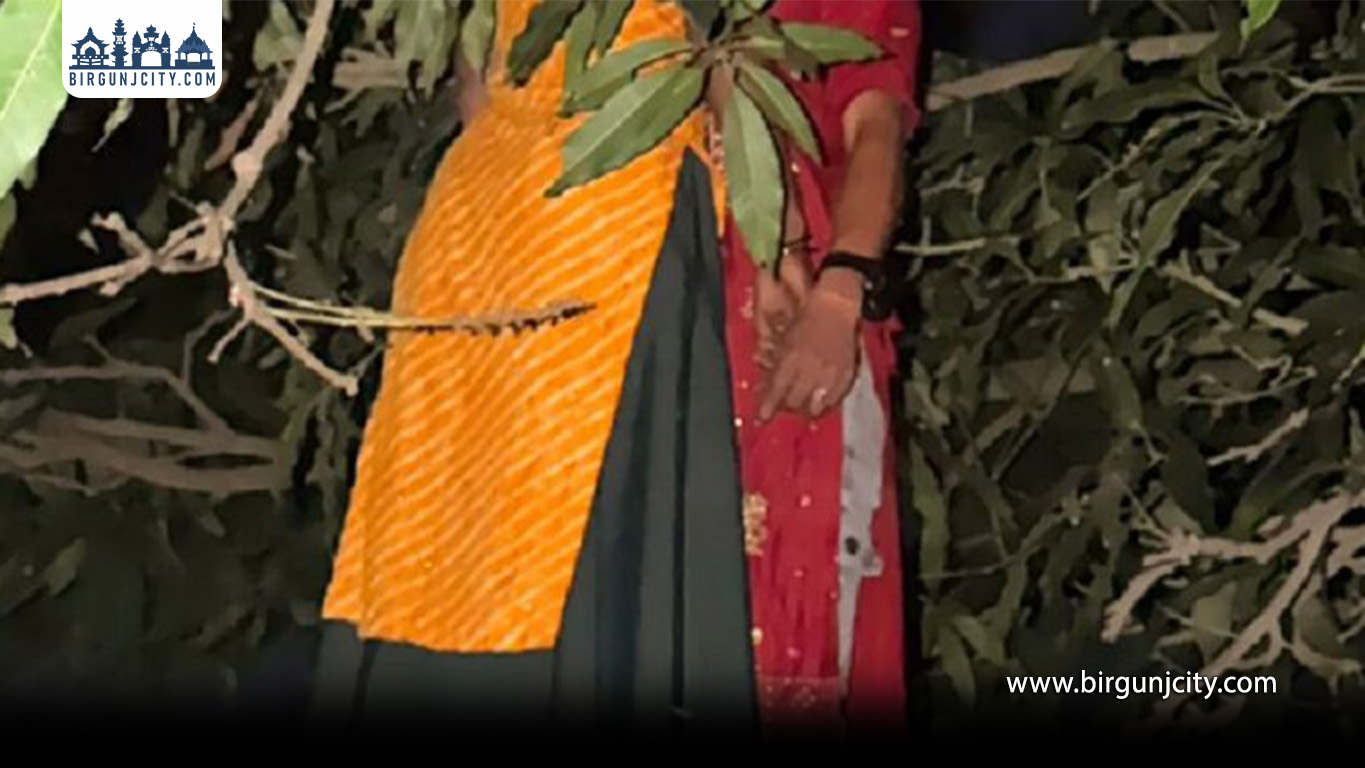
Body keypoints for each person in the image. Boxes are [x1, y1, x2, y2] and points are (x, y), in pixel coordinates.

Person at [718, 0, 921, 736]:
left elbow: (876, 126)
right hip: (644, 307)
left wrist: (840, 294)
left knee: (794, 616)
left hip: (795, 322)